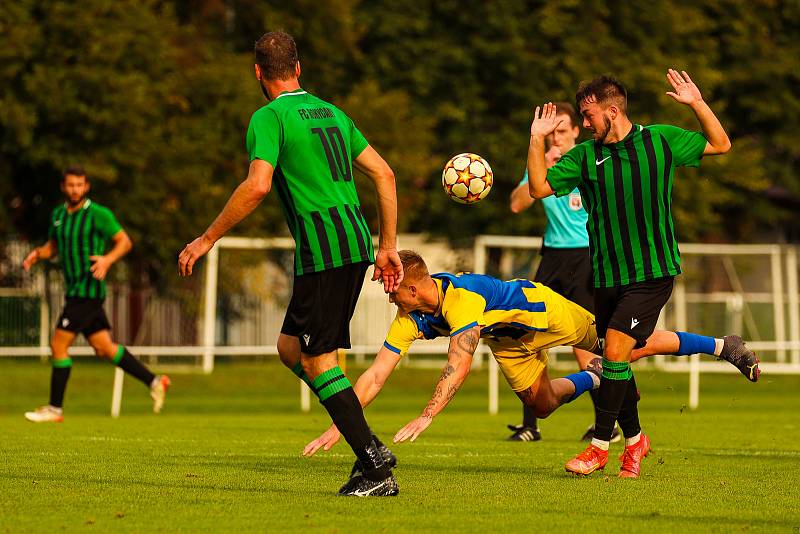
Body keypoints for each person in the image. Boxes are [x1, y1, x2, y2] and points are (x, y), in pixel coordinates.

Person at [177, 31, 404, 497]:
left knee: (318, 360)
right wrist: (387, 246)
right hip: (354, 243)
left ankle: (375, 464)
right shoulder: (334, 113)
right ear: (298, 68)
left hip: (324, 249)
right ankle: (365, 442)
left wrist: (206, 238)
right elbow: (385, 172)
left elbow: (258, 185)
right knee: (290, 348)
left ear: (258, 72)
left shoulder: (268, 116)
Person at [302, 250, 756, 457]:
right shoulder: (408, 317)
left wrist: (427, 415)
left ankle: (721, 345)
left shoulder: (461, 299)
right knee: (541, 404)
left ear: (416, 287)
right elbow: (377, 374)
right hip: (509, 342)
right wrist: (342, 422)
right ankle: (595, 378)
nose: (388, 296)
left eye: (393, 290)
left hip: (541, 311)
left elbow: (457, 365)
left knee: (624, 346)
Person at [526, 70, 756, 478]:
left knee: (613, 351)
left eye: (588, 115)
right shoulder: (583, 156)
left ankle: (599, 446)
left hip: (652, 271)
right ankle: (636, 441)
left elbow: (722, 144)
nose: (583, 124)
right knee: (620, 357)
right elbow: (538, 188)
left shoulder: (660, 140)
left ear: (612, 111)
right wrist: (536, 137)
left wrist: (696, 103)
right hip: (607, 274)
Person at [507, 102, 619, 443]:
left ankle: (608, 425)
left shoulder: (587, 161)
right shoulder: (544, 164)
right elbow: (516, 204)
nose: (555, 136)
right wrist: (540, 168)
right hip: (553, 258)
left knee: (585, 344)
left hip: (586, 257)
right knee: (525, 333)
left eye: (560, 130)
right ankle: (530, 425)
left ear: (574, 131)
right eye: (550, 131)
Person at [22, 167, 170, 423]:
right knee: (104, 348)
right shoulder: (58, 215)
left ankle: (55, 409)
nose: (75, 190)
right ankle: (155, 381)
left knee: (58, 345)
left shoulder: (98, 214)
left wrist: (107, 260)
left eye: (79, 185)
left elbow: (124, 241)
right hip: (75, 292)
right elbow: (53, 247)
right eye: (70, 185)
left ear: (87, 186)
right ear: (63, 187)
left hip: (87, 292)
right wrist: (38, 254)